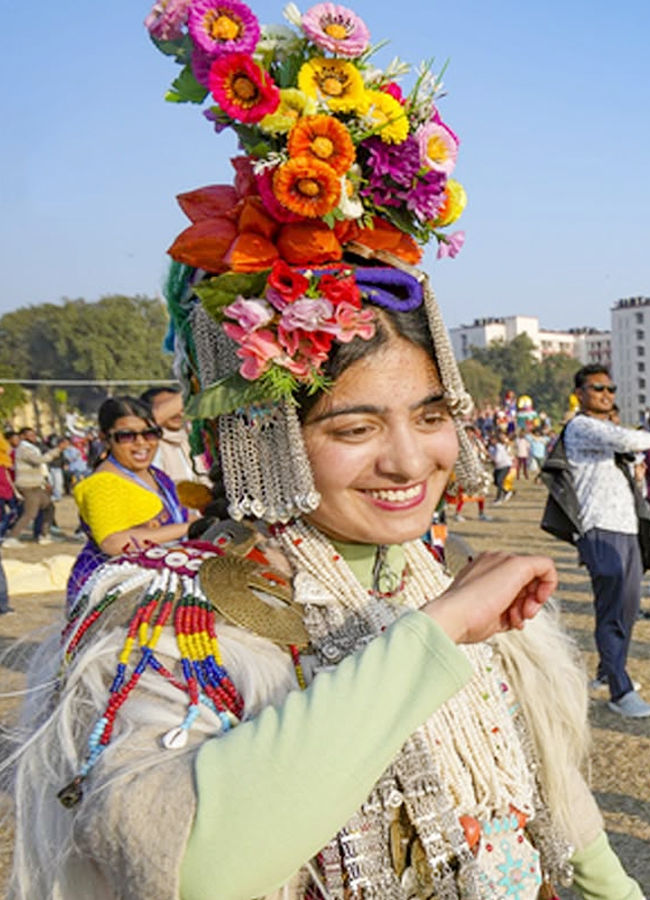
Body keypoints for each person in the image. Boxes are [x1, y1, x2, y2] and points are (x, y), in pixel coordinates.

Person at [4, 5, 644, 900]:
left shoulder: (438, 576)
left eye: (429, 417)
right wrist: (436, 636)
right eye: (353, 429)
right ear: (262, 434)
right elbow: (191, 870)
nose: (409, 461)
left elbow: (545, 787)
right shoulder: (172, 625)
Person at [560, 365, 650, 717]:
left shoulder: (606, 430)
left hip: (625, 528)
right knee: (615, 608)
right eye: (597, 388)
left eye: (611, 388)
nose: (606, 394)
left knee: (623, 607)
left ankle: (607, 671)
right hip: (599, 528)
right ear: (580, 393)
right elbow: (631, 441)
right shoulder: (582, 427)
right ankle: (619, 690)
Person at [66, 396, 193, 607]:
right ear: (105, 438)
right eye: (126, 436)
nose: (141, 443)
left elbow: (179, 516)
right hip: (116, 593)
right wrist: (187, 528)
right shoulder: (102, 484)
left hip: (163, 581)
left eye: (150, 433)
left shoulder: (156, 475)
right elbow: (113, 543)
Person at [1, 427, 67, 547]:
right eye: (30, 435)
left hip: (37, 484)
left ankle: (44, 535)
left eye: (34, 434)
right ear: (22, 436)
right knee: (30, 513)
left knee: (49, 507)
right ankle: (12, 538)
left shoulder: (32, 447)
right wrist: (57, 449)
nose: (33, 437)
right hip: (28, 485)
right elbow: (39, 460)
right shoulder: (23, 449)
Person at [140, 386, 209, 488]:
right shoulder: (145, 443)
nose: (178, 414)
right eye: (169, 409)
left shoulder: (193, 439)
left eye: (182, 409)